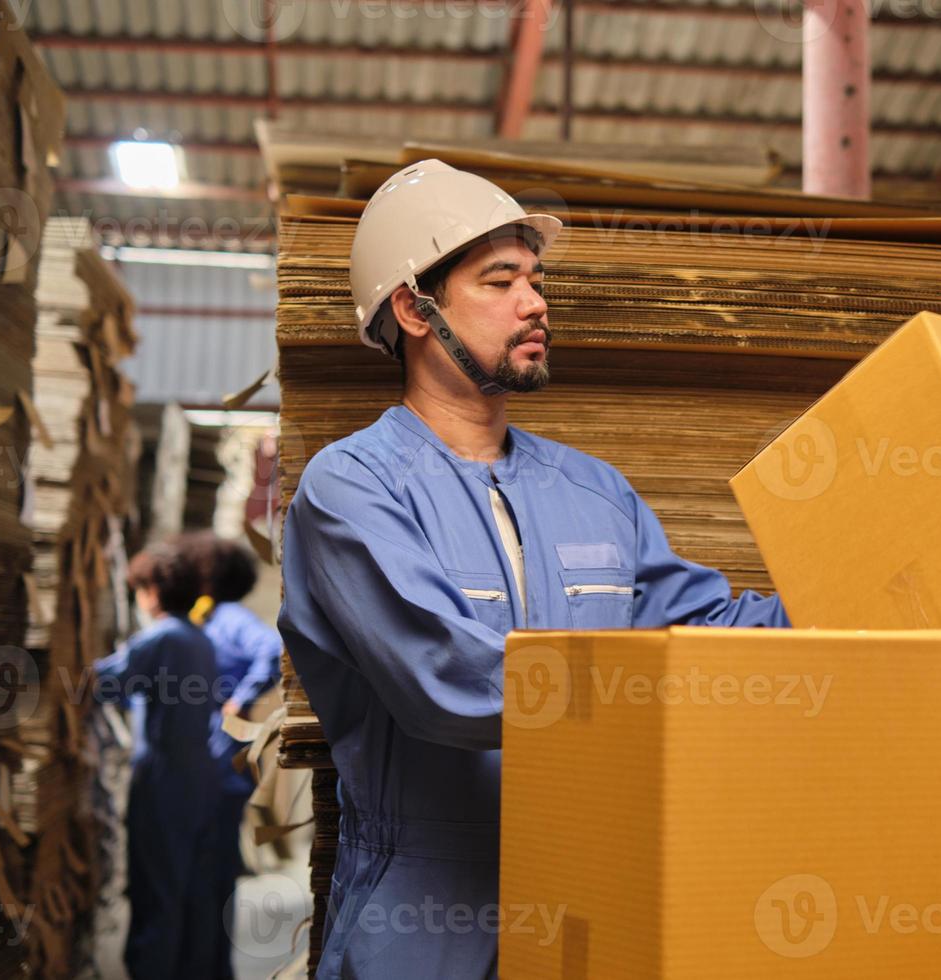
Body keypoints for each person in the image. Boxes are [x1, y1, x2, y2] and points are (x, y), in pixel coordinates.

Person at [278, 160, 790, 979]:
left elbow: (707, 629)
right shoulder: (353, 488)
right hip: (424, 916)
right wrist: (662, 688)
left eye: (537, 278)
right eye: (501, 280)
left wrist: (876, 610)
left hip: (587, 898)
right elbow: (449, 682)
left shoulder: (593, 490)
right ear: (415, 309)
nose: (536, 301)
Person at [94, 541, 220, 980]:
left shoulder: (163, 637)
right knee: (183, 887)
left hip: (164, 775)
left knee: (154, 889)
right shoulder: (200, 639)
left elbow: (108, 683)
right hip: (198, 774)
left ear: (152, 590)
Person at [180, 530, 284, 979]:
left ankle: (211, 969)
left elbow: (272, 650)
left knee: (212, 874)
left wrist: (238, 702)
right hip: (203, 765)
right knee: (199, 874)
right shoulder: (200, 619)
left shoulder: (228, 619)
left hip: (220, 767)